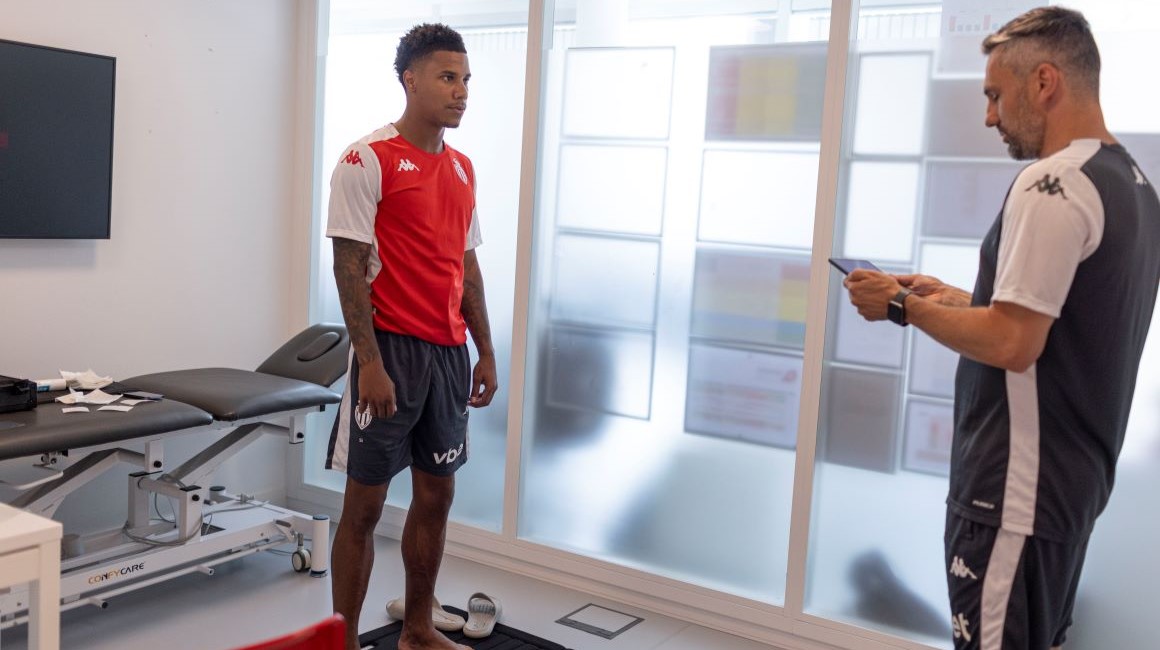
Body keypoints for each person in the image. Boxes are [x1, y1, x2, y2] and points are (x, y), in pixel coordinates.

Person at [844, 7, 1160, 650]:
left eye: (995, 95)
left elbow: (1015, 343)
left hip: (1013, 495)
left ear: (1044, 82)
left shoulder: (1052, 182)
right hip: (1068, 491)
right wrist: (958, 298)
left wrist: (900, 306)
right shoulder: (1133, 186)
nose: (990, 116)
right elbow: (1058, 328)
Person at [323, 23, 497, 650]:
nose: (461, 91)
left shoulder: (462, 168)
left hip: (448, 356)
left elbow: (466, 267)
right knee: (364, 507)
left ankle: (417, 629)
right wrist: (370, 363)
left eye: (466, 79)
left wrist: (485, 351)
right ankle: (342, 641)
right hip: (390, 351)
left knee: (437, 496)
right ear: (411, 80)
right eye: (448, 77)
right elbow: (348, 267)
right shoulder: (366, 159)